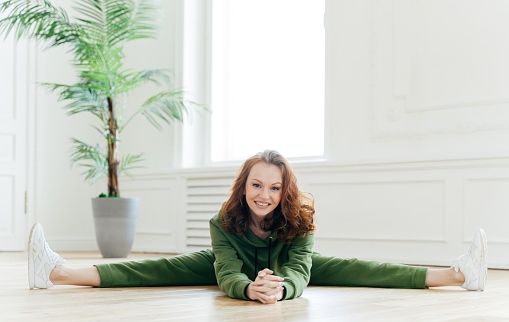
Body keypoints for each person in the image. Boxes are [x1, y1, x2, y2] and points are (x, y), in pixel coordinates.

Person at [28, 150, 487, 304]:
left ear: (284, 192)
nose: (263, 195)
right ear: (243, 185)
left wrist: (282, 288)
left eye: (272, 188)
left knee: (361, 267)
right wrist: (249, 290)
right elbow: (226, 273)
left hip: (286, 266)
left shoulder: (300, 222)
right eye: (255, 185)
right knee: (153, 269)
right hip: (232, 264)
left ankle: (458, 274)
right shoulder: (223, 222)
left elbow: (302, 270)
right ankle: (56, 271)